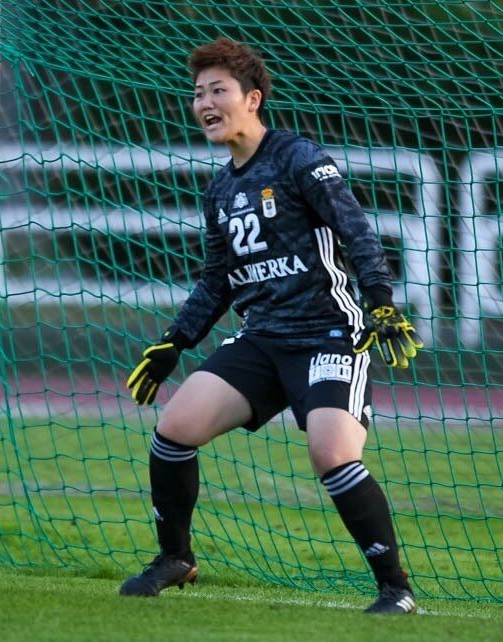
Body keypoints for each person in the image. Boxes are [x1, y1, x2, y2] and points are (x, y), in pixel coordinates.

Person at [119, 38, 423, 615]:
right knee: (175, 428)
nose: (205, 102)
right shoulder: (219, 190)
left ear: (252, 99)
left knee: (330, 453)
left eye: (218, 91)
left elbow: (355, 229)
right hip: (262, 338)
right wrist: (173, 343)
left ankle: (396, 588)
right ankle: (175, 558)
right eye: (198, 93)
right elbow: (218, 279)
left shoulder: (297, 157)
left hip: (329, 334)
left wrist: (380, 300)